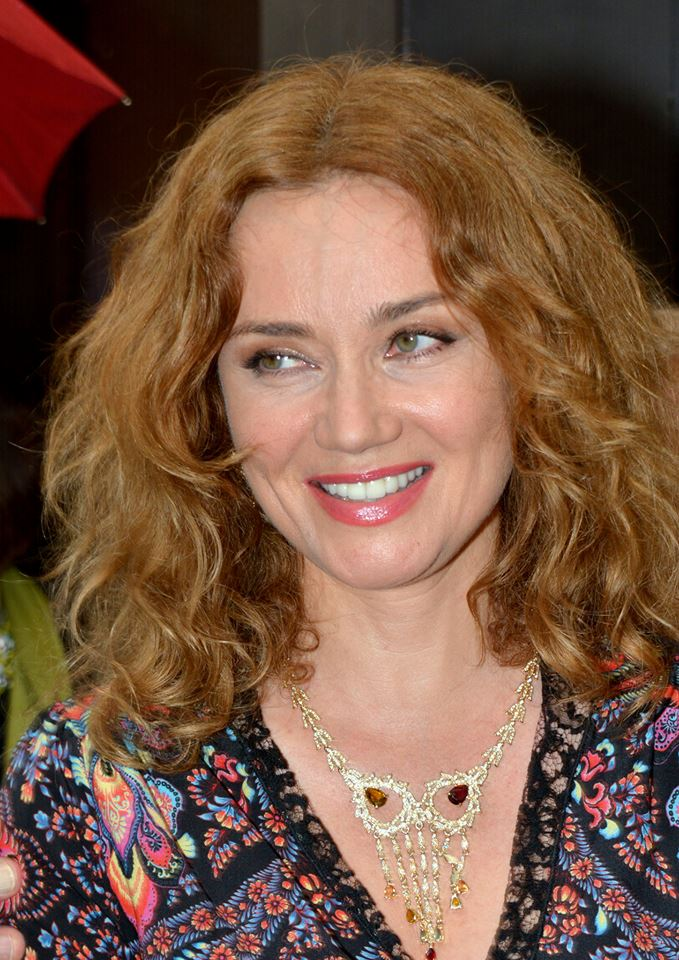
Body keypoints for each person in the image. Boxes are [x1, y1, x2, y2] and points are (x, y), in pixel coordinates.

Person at [0, 55, 677, 960]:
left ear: (537, 359)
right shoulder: (95, 789)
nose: (351, 426)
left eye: (415, 339)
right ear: (203, 400)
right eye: (279, 359)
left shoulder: (662, 741)